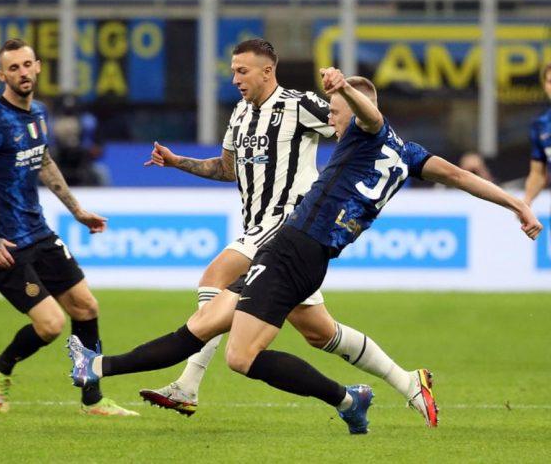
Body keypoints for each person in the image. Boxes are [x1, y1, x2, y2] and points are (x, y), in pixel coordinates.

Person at [67, 68, 542, 433]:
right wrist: (516, 203)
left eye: (335, 112)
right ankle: (103, 367)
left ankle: (347, 398)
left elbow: (372, 117)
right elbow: (459, 176)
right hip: (302, 255)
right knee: (218, 325)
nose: (330, 121)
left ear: (355, 110)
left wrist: (345, 87)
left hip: (293, 249)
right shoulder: (409, 152)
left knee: (237, 353)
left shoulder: (366, 131)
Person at [139, 38, 437, 428]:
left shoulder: (300, 105)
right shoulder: (240, 114)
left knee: (215, 277)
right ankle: (405, 381)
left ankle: (188, 384)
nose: (235, 79)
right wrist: (179, 162)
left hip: (290, 223)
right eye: (233, 71)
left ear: (267, 71)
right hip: (263, 231)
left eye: (242, 71)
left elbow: (353, 125)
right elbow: (227, 169)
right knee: (321, 333)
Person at [0, 38, 135, 416]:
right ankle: (2, 366)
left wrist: (77, 210)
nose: (22, 73)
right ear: (2, 75)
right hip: (7, 246)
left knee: (86, 307)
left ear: (38, 67)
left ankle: (92, 399)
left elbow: (44, 161)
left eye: (27, 65)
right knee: (50, 325)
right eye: (13, 68)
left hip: (41, 233)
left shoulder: (39, 113)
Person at [523, 62, 551, 208]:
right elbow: (538, 174)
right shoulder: (540, 125)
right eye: (550, 82)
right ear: (545, 86)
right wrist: (526, 201)